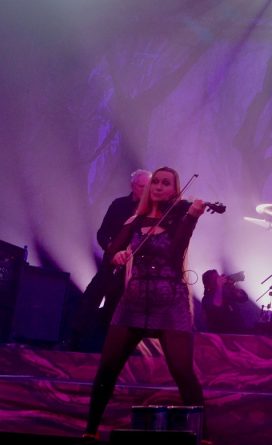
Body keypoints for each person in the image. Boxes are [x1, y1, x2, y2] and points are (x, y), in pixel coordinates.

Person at [83, 167, 211, 443]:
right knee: (108, 368)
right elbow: (112, 250)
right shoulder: (135, 219)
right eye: (156, 182)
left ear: (174, 190)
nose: (159, 187)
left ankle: (204, 436)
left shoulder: (179, 219)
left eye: (166, 183)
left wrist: (191, 217)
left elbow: (176, 250)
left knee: (182, 371)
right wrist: (117, 255)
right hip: (134, 300)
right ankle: (90, 430)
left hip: (170, 301)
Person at [69, 169, 152, 351]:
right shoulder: (119, 205)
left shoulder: (153, 211)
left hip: (132, 270)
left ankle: (106, 347)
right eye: (142, 187)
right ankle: (72, 342)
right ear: (132, 186)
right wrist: (112, 251)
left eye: (148, 187)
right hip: (110, 264)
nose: (146, 191)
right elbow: (102, 233)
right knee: (90, 299)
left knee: (115, 308)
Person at [201, 269, 249, 334]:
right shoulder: (207, 298)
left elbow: (243, 298)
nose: (218, 279)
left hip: (238, 331)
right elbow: (217, 306)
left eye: (218, 276)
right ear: (209, 284)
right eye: (215, 278)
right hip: (222, 334)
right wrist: (219, 286)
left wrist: (232, 286)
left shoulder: (226, 291)